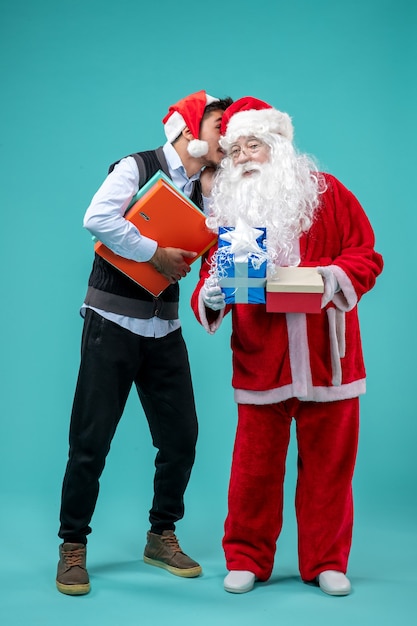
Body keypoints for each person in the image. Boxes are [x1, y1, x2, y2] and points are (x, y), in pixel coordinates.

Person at [191, 97, 383, 596]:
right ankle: (248, 558)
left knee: (329, 469)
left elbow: (365, 255)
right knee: (253, 471)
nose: (244, 157)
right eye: (234, 151)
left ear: (277, 146)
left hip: (330, 360)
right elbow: (211, 285)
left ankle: (326, 561)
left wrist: (328, 278)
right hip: (262, 360)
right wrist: (211, 292)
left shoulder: (329, 194)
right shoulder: (231, 214)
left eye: (253, 145)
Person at [56, 90, 233, 595]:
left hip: (165, 328)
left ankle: (161, 535)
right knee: (90, 441)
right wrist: (154, 252)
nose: (228, 135)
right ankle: (72, 545)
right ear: (188, 130)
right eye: (220, 125)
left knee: (181, 438)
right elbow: (98, 219)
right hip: (110, 322)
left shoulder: (210, 187)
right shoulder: (136, 166)